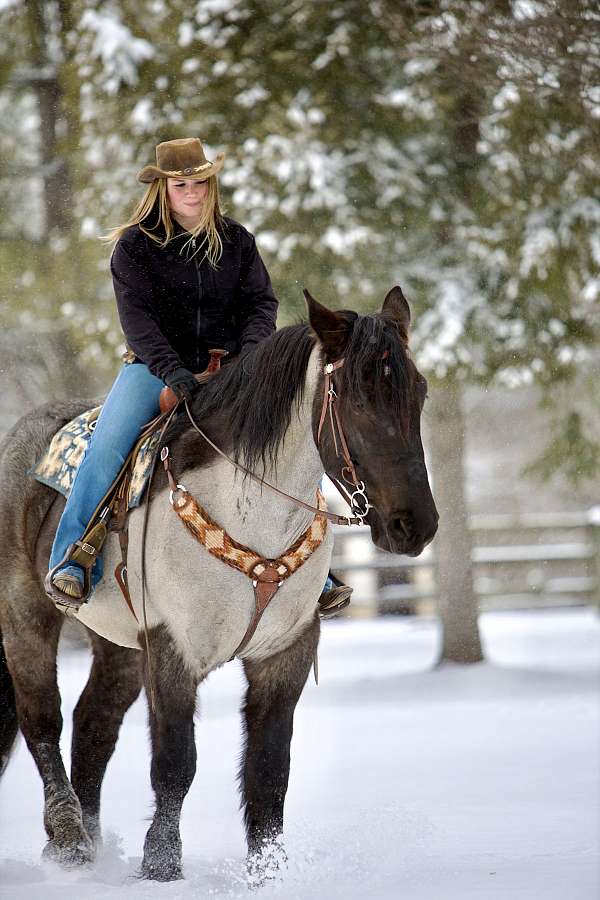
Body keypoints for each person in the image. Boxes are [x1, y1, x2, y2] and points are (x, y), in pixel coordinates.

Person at [45, 137, 351, 615]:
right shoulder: (135, 247)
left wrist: (250, 360)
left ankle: (315, 569)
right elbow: (138, 320)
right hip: (154, 367)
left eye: (200, 182)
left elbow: (260, 304)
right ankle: (74, 560)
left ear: (212, 184)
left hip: (233, 367)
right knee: (108, 446)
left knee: (281, 441)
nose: (192, 192)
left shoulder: (237, 241)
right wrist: (173, 370)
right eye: (181, 184)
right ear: (164, 189)